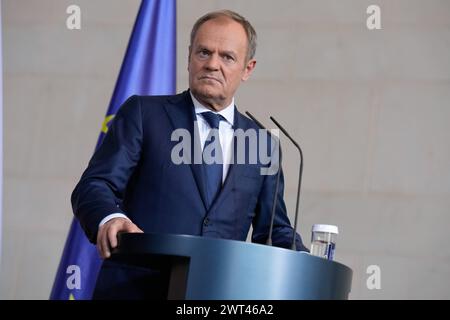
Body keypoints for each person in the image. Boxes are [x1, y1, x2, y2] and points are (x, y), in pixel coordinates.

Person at [72, 9, 308, 299]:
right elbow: (94, 186)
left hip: (217, 295)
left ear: (248, 69)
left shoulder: (263, 143)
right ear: (189, 57)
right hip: (135, 290)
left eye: (227, 57)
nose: (212, 64)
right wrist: (109, 218)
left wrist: (308, 265)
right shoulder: (145, 114)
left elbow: (273, 231)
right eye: (204, 52)